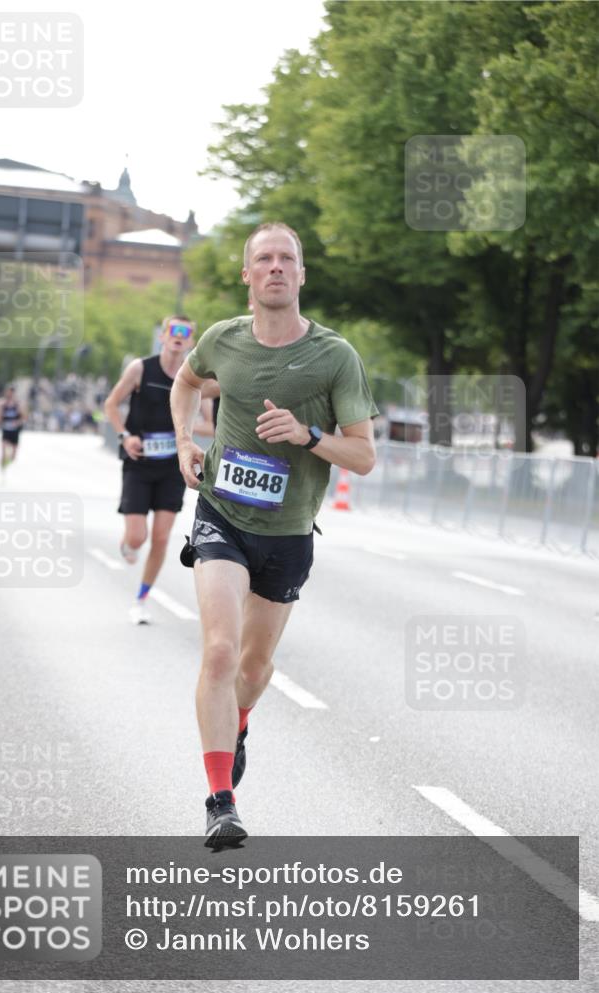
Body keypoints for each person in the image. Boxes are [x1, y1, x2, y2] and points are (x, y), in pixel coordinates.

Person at [170, 222, 378, 847]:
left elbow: (363, 457)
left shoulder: (335, 356)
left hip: (288, 535)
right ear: (248, 275)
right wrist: (184, 439)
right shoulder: (222, 341)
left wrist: (309, 435)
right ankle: (220, 801)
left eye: (288, 258)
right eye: (264, 259)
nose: (276, 267)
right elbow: (186, 381)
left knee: (255, 667)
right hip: (222, 517)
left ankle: (240, 721)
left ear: (302, 274)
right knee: (221, 651)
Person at [104, 316, 216, 625]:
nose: (179, 337)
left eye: (186, 333)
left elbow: (209, 424)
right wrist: (125, 437)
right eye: (173, 331)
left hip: (172, 466)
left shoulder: (194, 381)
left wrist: (182, 428)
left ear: (191, 341)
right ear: (163, 336)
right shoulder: (141, 368)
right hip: (139, 462)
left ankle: (141, 599)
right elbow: (111, 404)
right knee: (138, 537)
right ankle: (128, 543)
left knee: (162, 538)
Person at [0, 385, 27, 471]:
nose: (10, 394)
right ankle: (2, 465)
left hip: (15, 431)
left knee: (13, 456)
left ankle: (7, 462)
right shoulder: (2, 403)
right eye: (8, 392)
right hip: (6, 430)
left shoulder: (18, 404)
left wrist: (18, 422)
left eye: (11, 392)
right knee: (4, 449)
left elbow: (24, 417)